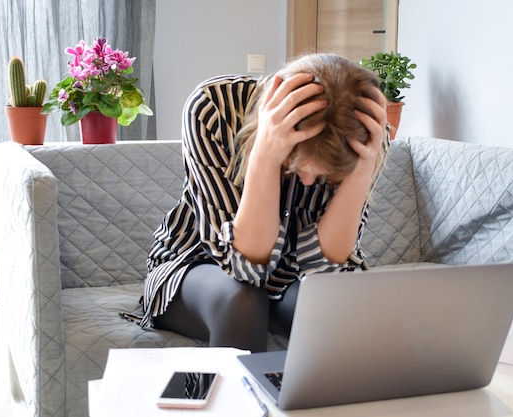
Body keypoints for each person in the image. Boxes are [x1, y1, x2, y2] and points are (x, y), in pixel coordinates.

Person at [141, 53, 389, 353]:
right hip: (200, 266)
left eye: (323, 173)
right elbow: (243, 268)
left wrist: (361, 171)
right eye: (296, 164)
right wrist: (265, 155)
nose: (308, 181)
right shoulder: (212, 108)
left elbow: (328, 269)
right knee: (243, 301)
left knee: (335, 306)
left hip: (294, 278)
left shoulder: (366, 129)